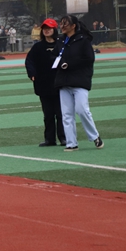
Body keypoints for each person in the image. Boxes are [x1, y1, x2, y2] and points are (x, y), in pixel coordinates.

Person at [55, 15, 103, 151]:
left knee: (82, 110)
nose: (62, 26)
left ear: (73, 26)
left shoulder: (83, 40)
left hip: (80, 81)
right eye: (61, 24)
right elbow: (55, 56)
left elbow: (89, 59)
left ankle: (95, 136)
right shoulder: (60, 40)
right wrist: (61, 63)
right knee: (66, 114)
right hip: (63, 81)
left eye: (65, 24)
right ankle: (71, 143)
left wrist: (69, 64)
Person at [25, 19, 66, 147]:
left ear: (54, 29)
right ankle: (50, 139)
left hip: (60, 84)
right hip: (43, 85)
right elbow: (29, 61)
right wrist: (32, 74)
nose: (46, 30)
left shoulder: (61, 45)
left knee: (61, 113)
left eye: (49, 28)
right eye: (44, 28)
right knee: (48, 114)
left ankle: (64, 138)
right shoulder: (38, 47)